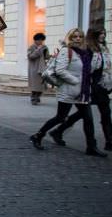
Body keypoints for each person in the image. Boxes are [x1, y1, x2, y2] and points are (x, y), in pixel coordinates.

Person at [30, 28, 107, 157]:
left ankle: (91, 146)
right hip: (68, 90)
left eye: (80, 37)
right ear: (69, 38)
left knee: (88, 118)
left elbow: (89, 70)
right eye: (74, 37)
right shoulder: (66, 51)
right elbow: (60, 70)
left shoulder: (84, 53)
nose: (77, 39)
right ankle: (38, 135)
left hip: (82, 92)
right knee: (60, 117)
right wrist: (75, 81)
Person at [49, 28, 111, 151]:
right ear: (94, 35)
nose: (103, 36)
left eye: (104, 33)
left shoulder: (104, 49)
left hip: (102, 85)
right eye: (100, 33)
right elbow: (83, 68)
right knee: (83, 114)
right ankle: (59, 131)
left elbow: (107, 67)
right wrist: (80, 82)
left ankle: (109, 141)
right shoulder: (88, 49)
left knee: (105, 114)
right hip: (89, 85)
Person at [27, 33, 50, 105]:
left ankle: (38, 96)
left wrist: (51, 56)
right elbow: (31, 56)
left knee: (42, 84)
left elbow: (46, 57)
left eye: (42, 40)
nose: (40, 41)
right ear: (35, 40)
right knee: (35, 85)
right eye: (39, 40)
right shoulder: (31, 47)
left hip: (42, 68)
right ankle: (33, 97)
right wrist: (38, 50)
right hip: (34, 69)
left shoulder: (45, 47)